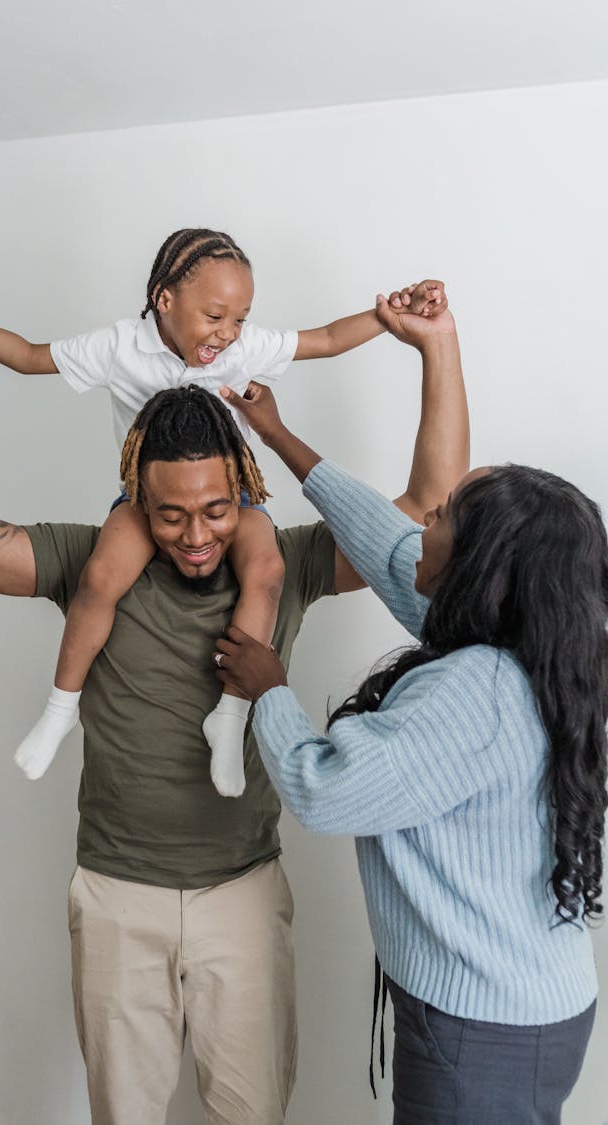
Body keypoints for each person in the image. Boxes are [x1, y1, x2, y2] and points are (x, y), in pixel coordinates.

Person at [0, 283, 468, 1125]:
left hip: (243, 891)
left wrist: (436, 343)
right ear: (134, 494)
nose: (196, 536)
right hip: (117, 894)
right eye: (169, 516)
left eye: (216, 511)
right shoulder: (87, 560)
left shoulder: (291, 563)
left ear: (245, 488)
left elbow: (424, 519)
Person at [212, 309, 607, 1123]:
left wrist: (269, 690)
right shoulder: (531, 644)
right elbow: (387, 541)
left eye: (443, 519)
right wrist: (280, 436)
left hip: (484, 1032)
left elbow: (327, 788)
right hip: (522, 1007)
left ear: (479, 567)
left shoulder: (478, 692)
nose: (423, 519)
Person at [0, 228, 447, 796]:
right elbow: (32, 358)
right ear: (165, 300)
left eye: (240, 318)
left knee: (267, 573)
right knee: (100, 578)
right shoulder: (119, 346)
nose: (228, 334)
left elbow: (328, 339)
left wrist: (390, 315)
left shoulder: (243, 347)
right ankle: (60, 709)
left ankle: (229, 720)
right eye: (215, 316)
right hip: (145, 501)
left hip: (237, 499)